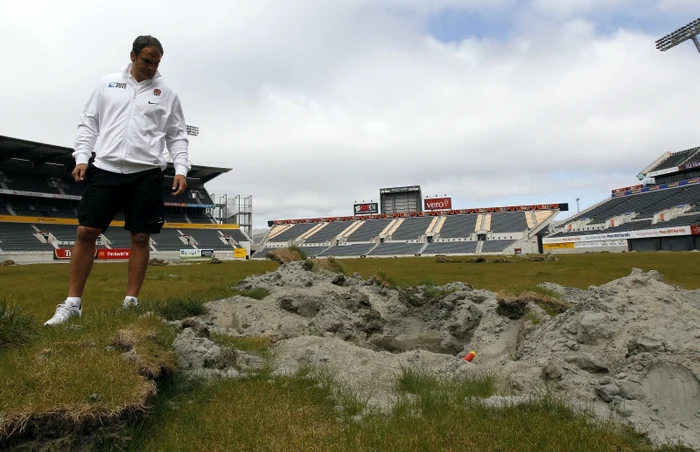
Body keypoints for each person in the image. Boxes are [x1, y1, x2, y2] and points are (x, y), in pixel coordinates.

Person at [44, 35, 191, 326]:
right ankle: (73, 304)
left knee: (140, 236)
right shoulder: (107, 83)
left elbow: (177, 135)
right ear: (133, 56)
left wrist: (181, 168)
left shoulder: (167, 93)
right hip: (106, 168)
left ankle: (131, 302)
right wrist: (82, 158)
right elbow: (89, 122)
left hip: (146, 171)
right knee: (86, 231)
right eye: (147, 61)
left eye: (157, 63)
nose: (151, 68)